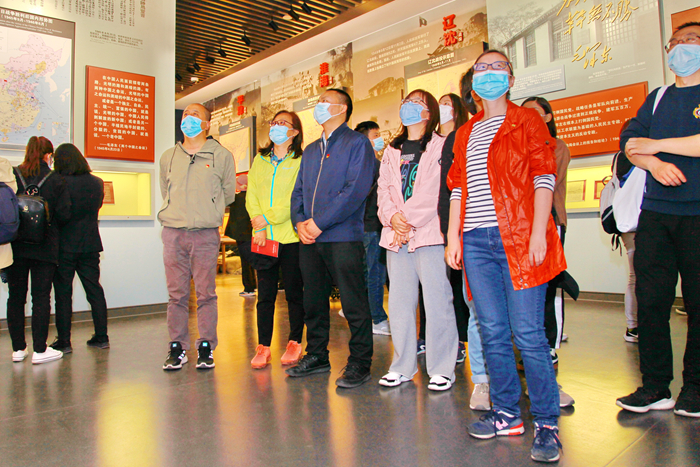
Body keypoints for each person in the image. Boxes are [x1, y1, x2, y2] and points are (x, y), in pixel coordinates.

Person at [445, 50, 566, 462]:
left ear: (511, 79)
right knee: (492, 331)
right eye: (482, 67)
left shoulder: (527, 120)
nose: (489, 73)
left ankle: (547, 423)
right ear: (473, 82)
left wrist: (538, 233)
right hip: (476, 242)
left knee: (528, 333)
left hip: (518, 237)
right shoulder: (466, 131)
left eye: (498, 66)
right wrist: (453, 236)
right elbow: (458, 187)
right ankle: (507, 414)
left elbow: (544, 176)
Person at [616, 22, 700, 418]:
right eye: (675, 42)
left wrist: (658, 146)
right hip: (656, 214)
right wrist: (653, 163)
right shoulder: (658, 98)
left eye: (691, 40)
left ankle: (695, 389)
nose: (681, 47)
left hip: (696, 213)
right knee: (651, 302)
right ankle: (655, 386)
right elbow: (630, 143)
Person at [289, 88, 375, 388]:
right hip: (310, 239)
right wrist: (299, 222)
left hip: (342, 236)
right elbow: (298, 191)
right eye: (319, 101)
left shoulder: (357, 143)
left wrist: (320, 223)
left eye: (326, 101)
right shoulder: (311, 150)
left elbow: (355, 190)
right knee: (313, 301)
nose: (320, 106)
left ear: (342, 109)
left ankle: (360, 362)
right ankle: (316, 355)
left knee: (353, 302)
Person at [376, 89, 458, 391]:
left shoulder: (441, 145)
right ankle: (402, 366)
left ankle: (442, 368)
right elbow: (383, 189)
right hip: (396, 236)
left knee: (437, 301)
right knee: (399, 303)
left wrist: (405, 220)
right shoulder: (392, 149)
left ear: (429, 112)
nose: (408, 106)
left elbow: (434, 190)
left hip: (428, 234)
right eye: (406, 102)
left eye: (417, 103)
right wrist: (392, 218)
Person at [159, 103, 236, 371]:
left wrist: (206, 210)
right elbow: (166, 191)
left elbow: (228, 193)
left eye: (195, 115)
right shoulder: (169, 156)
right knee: (176, 295)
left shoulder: (221, 155)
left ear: (206, 124)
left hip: (205, 234)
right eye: (185, 114)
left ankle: (206, 346)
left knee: (206, 294)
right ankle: (177, 347)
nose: (188, 118)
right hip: (173, 233)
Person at [522, 97, 575, 409]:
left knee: (546, 295)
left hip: (549, 225)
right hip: (518, 227)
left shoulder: (557, 146)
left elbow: (542, 178)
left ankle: (549, 356)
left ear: (548, 117)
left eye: (536, 112)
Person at [247, 110, 305, 369]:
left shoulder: (300, 160)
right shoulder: (260, 160)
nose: (276, 127)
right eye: (274, 122)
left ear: (295, 131)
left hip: (291, 237)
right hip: (263, 238)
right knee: (265, 295)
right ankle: (263, 346)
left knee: (294, 292)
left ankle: (294, 341)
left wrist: (267, 219)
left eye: (283, 123)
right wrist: (258, 224)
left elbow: (295, 197)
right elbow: (251, 194)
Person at [7, 136, 71, 364]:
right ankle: (40, 350)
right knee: (41, 297)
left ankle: (18, 349)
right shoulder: (57, 179)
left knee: (16, 297)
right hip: (45, 246)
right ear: (48, 155)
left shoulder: (14, 174)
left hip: (16, 246)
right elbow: (64, 214)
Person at [50, 143, 109, 353]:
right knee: (94, 290)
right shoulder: (97, 182)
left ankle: (64, 341)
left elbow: (60, 214)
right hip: (90, 244)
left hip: (64, 246)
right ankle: (101, 336)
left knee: (63, 294)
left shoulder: (59, 182)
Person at [354, 120, 390, 335]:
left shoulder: (363, 164)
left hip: (365, 226)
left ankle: (361, 310)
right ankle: (377, 317)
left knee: (367, 272)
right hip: (372, 225)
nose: (379, 139)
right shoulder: (372, 165)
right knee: (375, 273)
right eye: (375, 135)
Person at [225, 174, 257, 296]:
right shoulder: (254, 198)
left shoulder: (235, 199)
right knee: (254, 260)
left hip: (240, 234)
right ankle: (254, 285)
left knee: (245, 261)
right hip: (254, 232)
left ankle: (248, 287)